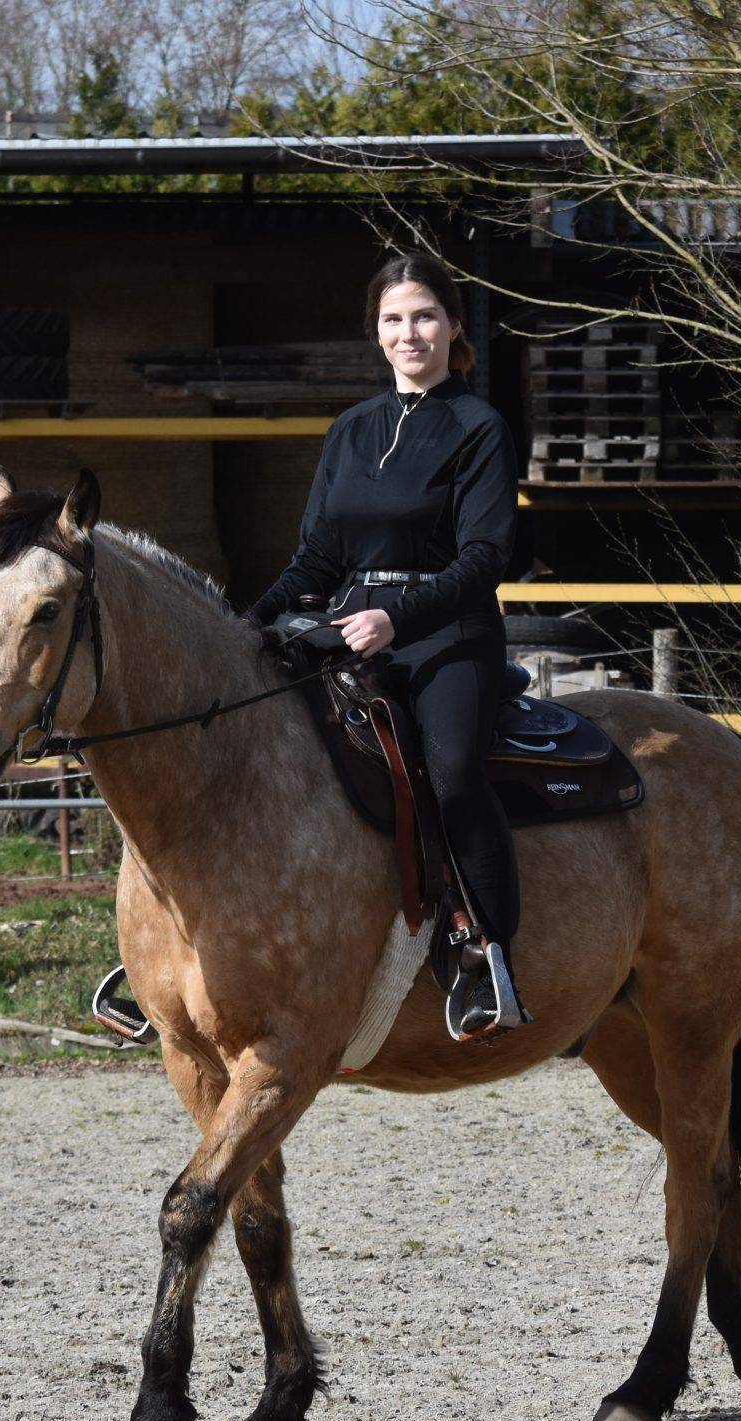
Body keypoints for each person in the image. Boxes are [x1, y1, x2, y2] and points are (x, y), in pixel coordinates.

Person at [245, 252, 529, 1035]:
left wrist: (396, 618)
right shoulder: (350, 430)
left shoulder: (480, 428)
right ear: (376, 332)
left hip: (449, 632)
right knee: (252, 744)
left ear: (454, 325)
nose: (411, 333)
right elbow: (316, 560)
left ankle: (486, 956)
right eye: (395, 319)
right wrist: (246, 625)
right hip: (347, 628)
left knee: (454, 771)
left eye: (426, 316)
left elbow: (484, 558)